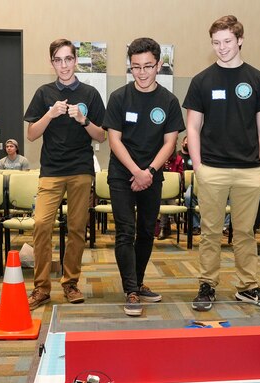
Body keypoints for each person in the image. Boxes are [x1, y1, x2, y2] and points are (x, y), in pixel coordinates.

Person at [183, 15, 260, 311]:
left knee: (245, 232)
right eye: (216, 42)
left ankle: (247, 286)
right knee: (210, 231)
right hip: (211, 168)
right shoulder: (201, 81)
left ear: (240, 40)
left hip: (250, 170)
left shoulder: (258, 80)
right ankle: (207, 284)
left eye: (227, 41)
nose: (221, 47)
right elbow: (193, 128)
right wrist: (198, 165)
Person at [103, 37, 185, 317]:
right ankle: (131, 290)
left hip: (152, 176)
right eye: (135, 66)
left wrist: (149, 172)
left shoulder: (169, 101)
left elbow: (169, 143)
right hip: (121, 176)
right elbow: (114, 140)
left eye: (148, 66)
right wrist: (136, 171)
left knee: (147, 231)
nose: (141, 72)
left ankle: (138, 282)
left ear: (159, 65)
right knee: (125, 231)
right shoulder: (119, 97)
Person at [24, 38, 106, 309]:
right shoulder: (44, 93)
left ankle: (71, 283)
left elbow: (102, 136)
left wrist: (84, 120)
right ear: (52, 63)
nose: (63, 65)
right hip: (51, 170)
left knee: (76, 229)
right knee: (41, 226)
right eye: (58, 60)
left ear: (75, 61)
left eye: (68, 59)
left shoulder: (90, 94)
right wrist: (49, 114)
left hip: (81, 169)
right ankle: (41, 287)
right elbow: (32, 134)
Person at [156, 146, 184, 240]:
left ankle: (163, 228)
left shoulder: (178, 159)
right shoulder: (159, 158)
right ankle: (175, 214)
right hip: (161, 188)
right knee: (164, 198)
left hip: (173, 190)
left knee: (165, 200)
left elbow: (180, 176)